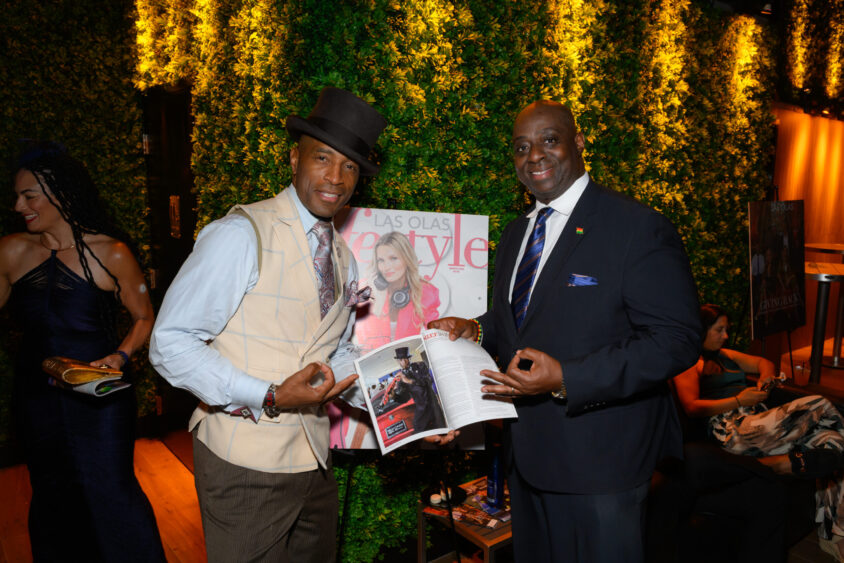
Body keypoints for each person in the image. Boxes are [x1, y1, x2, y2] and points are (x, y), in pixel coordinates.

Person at [429, 100, 701, 562]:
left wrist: (568, 379)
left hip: (602, 466)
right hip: (528, 460)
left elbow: (677, 339)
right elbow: (515, 322)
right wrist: (474, 328)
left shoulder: (635, 227)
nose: (534, 155)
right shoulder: (518, 232)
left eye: (549, 140)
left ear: (577, 143)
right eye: (521, 147)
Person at [149, 87, 386, 562]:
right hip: (243, 464)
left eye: (350, 167)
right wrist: (270, 395)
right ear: (293, 160)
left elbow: (332, 355)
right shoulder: (239, 235)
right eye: (323, 158)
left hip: (315, 461)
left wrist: (405, 409)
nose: (335, 178)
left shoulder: (344, 255)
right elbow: (169, 343)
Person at [0, 143, 165, 561]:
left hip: (99, 397)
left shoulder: (112, 253)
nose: (19, 205)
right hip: (36, 397)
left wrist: (121, 356)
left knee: (111, 488)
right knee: (51, 490)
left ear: (61, 194)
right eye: (17, 196)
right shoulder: (11, 251)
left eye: (29, 195)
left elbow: (144, 316)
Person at [674, 303, 844, 561]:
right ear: (701, 330)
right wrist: (740, 401)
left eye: (726, 330)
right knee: (819, 404)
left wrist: (765, 379)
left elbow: (763, 362)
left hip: (759, 420)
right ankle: (772, 465)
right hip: (731, 429)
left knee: (832, 441)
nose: (725, 336)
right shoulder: (689, 362)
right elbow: (692, 407)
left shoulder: (726, 355)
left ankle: (834, 534)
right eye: (719, 330)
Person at [354, 231, 440, 351]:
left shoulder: (425, 292)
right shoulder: (366, 290)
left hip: (408, 361)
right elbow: (361, 339)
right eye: (381, 260)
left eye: (393, 258)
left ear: (406, 259)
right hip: (374, 361)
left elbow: (436, 336)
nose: (386, 267)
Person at [383, 346, 442, 432]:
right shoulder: (400, 378)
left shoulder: (420, 366)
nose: (404, 361)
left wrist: (409, 381)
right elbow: (405, 398)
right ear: (398, 361)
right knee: (418, 429)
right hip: (421, 411)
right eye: (401, 360)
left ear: (409, 358)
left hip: (433, 407)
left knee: (442, 431)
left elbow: (428, 381)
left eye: (406, 358)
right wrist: (394, 396)